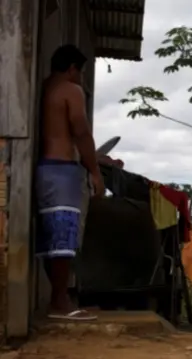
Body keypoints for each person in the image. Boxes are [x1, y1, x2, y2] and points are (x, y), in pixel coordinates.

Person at [38, 44, 105, 321]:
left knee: (51, 237)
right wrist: (95, 171)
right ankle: (60, 301)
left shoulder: (44, 87)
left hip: (44, 169)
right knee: (64, 236)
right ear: (72, 69)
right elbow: (80, 131)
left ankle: (60, 297)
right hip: (63, 169)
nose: (81, 79)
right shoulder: (70, 90)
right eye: (80, 73)